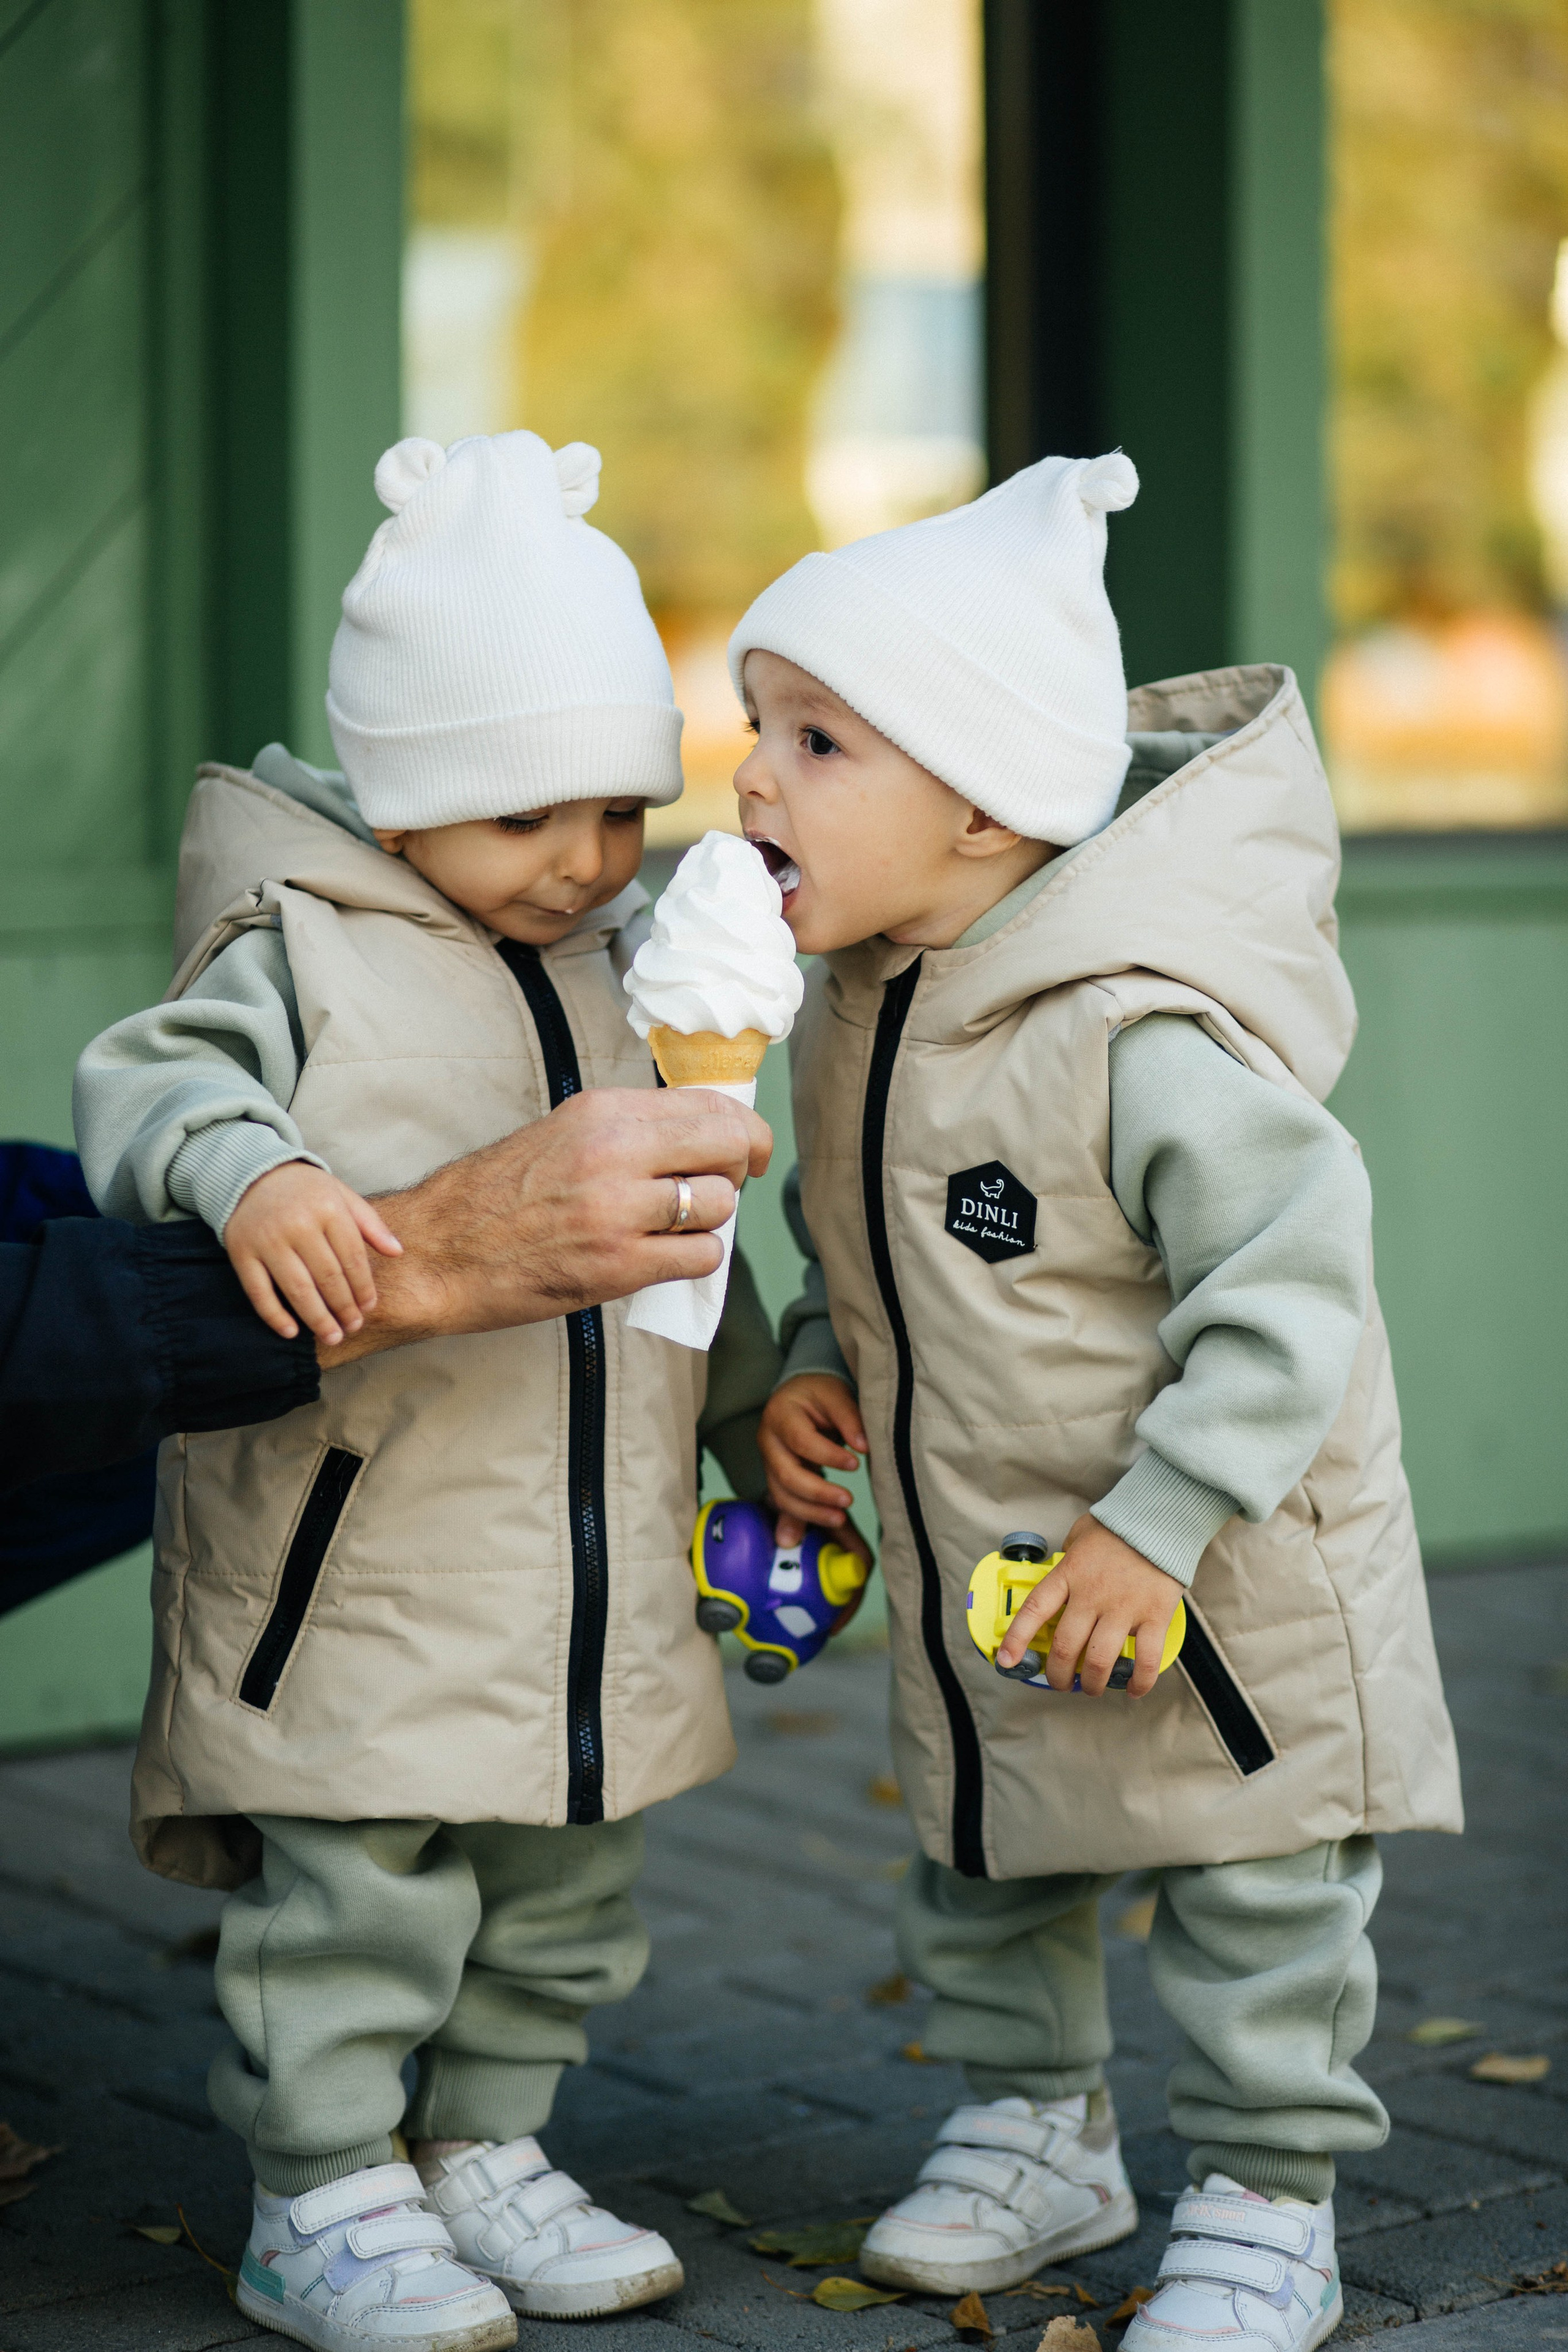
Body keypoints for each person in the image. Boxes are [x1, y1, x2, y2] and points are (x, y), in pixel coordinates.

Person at [742, 451, 1462, 2352]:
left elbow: (1293, 1277)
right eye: (754, 725)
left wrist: (1160, 1523)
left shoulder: (1131, 1023)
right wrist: (817, 1362)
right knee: (990, 1858)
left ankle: (1265, 2191)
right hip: (997, 1556)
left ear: (980, 803)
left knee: (1252, 1890)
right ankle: (1036, 2125)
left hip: (1212, 1567)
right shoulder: (860, 1005)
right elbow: (872, 1247)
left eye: (816, 743)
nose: (745, 779)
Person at [72, 431, 782, 2348]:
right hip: (356, 1554)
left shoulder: (639, 961)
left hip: (585, 1567)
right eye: (525, 814)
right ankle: (321, 2193)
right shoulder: (297, 943)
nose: (584, 857)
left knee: (559, 1887)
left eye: (620, 810)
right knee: (355, 1901)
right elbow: (146, 1094)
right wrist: (264, 1173)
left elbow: (688, 1238)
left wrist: (754, 1403)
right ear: (400, 798)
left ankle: (487, 2144)